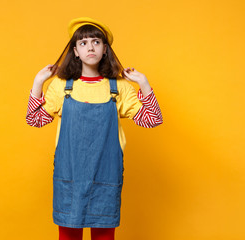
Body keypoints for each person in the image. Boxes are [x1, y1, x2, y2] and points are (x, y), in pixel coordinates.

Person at [26, 17, 163, 240]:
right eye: (83, 43)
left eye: (96, 42)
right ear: (76, 51)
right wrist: (38, 83)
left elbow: (152, 119)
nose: (90, 47)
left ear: (105, 49)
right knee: (69, 235)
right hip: (69, 176)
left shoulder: (119, 88)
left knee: (104, 236)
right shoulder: (62, 86)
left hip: (105, 176)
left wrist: (144, 84)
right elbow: (34, 119)